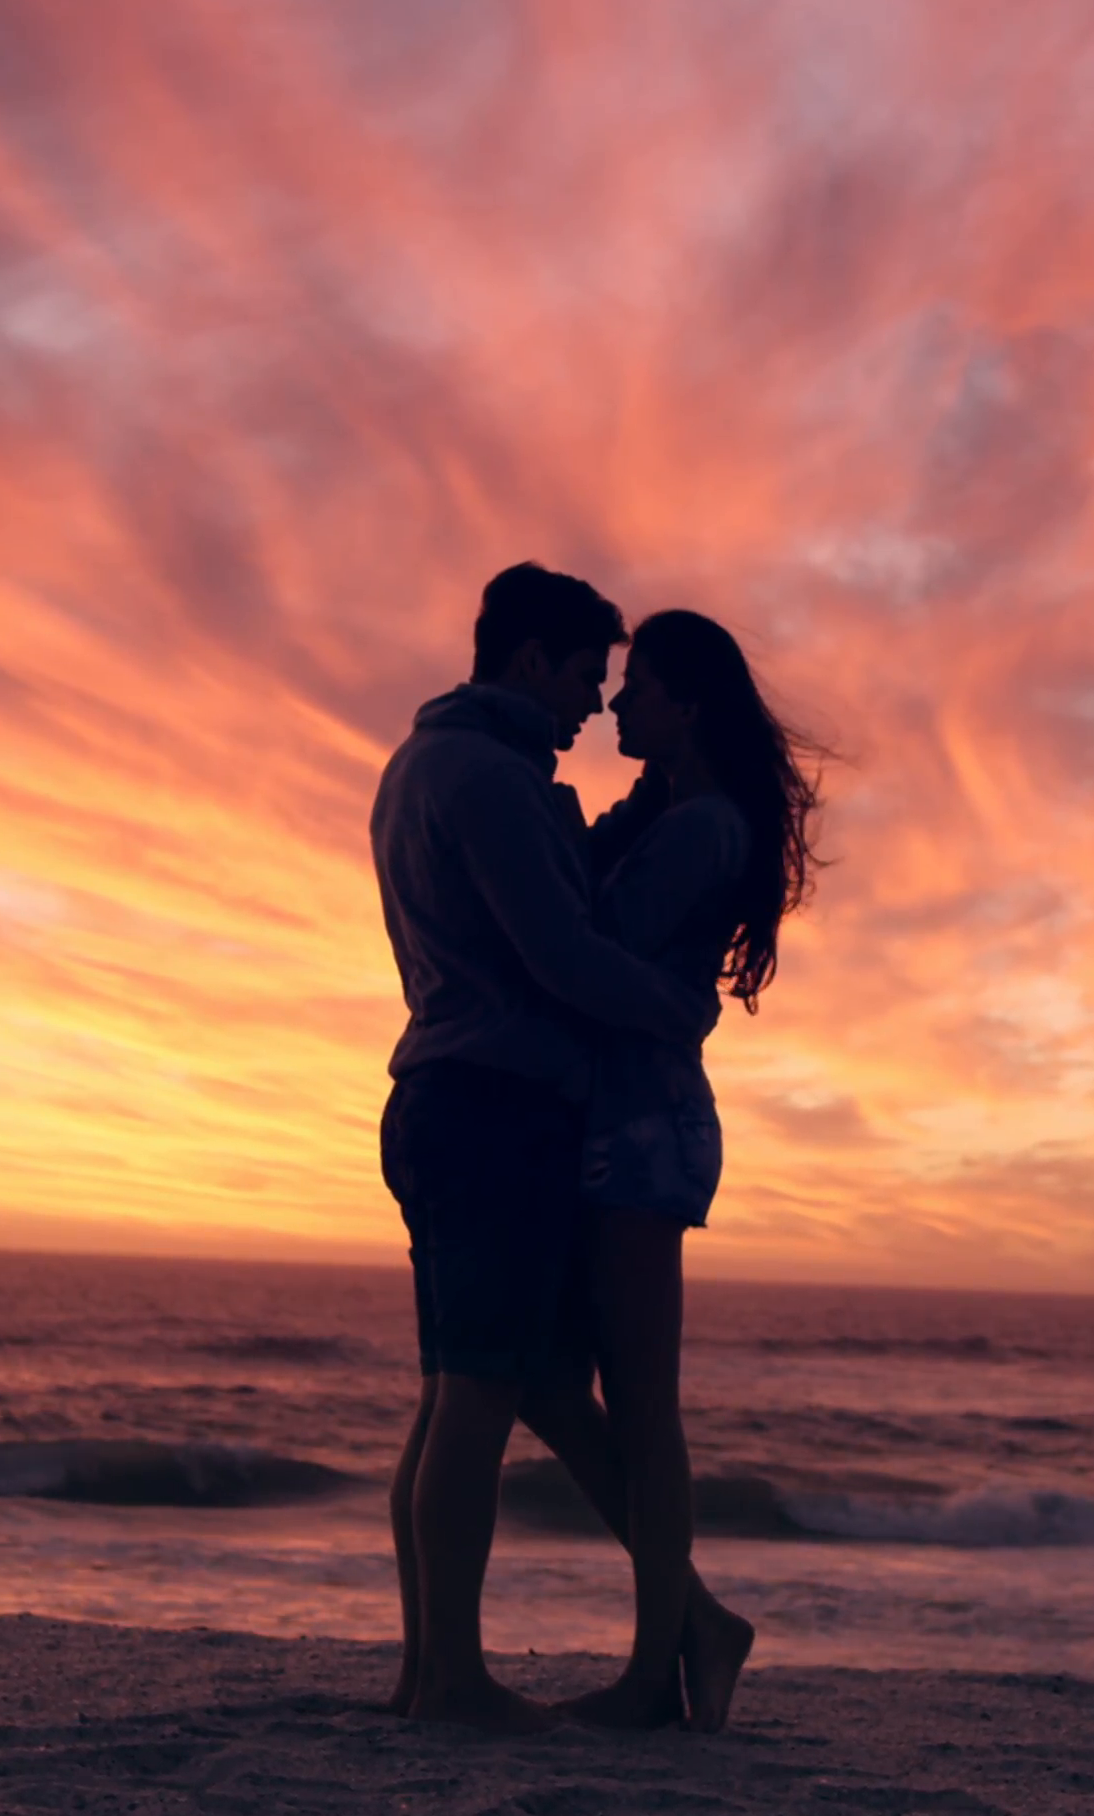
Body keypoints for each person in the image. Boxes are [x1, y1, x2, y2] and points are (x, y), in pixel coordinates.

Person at [369, 563, 721, 1732]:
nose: (591, 705)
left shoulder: (424, 763)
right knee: (475, 1397)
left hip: (437, 1092)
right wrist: (678, 1011)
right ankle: (455, 1681)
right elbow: (559, 953)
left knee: (447, 1394)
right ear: (528, 660)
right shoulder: (495, 780)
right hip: (496, 1101)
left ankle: (428, 1674)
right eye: (583, 675)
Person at [513, 608, 817, 1731]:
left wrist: (541, 841)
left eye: (640, 687)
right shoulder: (669, 812)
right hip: (615, 1123)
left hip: (646, 1131)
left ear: (688, 705)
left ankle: (655, 1671)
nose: (620, 705)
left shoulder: (702, 829)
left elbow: (587, 941)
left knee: (642, 1408)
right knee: (548, 1384)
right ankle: (695, 1618)